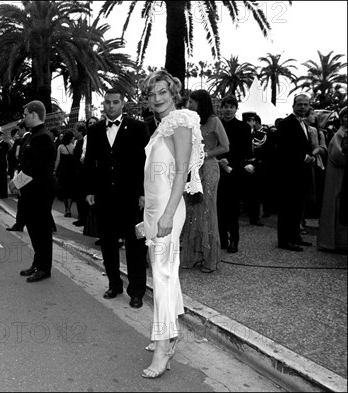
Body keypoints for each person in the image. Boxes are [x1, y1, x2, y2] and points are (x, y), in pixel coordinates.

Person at [139, 70, 204, 378]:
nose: (157, 98)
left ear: (173, 92)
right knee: (165, 272)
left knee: (162, 275)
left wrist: (166, 214)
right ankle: (166, 333)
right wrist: (149, 210)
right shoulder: (162, 125)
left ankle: (165, 348)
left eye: (162, 92)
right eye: (152, 94)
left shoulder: (181, 121)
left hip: (167, 209)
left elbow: (180, 173)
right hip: (154, 209)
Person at [84, 88, 150, 308]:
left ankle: (137, 291)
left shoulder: (139, 128)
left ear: (123, 104)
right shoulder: (93, 131)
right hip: (104, 198)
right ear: (103, 105)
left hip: (131, 198)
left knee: (136, 246)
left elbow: (145, 163)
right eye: (107, 103)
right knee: (108, 245)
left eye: (115, 102)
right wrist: (90, 190)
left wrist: (143, 193)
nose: (110, 106)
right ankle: (114, 284)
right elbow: (89, 163)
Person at [181, 89, 229, 273]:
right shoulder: (190, 121)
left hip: (209, 169)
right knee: (192, 211)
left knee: (207, 210)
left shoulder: (214, 121)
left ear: (200, 103)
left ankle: (210, 258)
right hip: (192, 169)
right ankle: (194, 256)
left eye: (192, 101)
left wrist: (205, 154)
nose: (188, 104)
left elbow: (225, 146)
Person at [16, 100, 56, 283]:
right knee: (33, 230)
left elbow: (36, 168)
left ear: (34, 114)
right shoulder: (32, 136)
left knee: (42, 231)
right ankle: (37, 263)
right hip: (30, 192)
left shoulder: (43, 137)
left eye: (25, 115)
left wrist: (16, 182)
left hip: (40, 192)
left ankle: (44, 268)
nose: (23, 118)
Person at [276, 94, 315, 252]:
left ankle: (295, 236)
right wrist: (304, 157)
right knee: (287, 208)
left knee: (297, 208)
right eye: (300, 104)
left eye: (306, 104)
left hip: (301, 174)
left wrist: (310, 156)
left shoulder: (303, 124)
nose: (303, 107)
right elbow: (284, 149)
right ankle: (284, 240)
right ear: (293, 106)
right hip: (289, 175)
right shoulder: (286, 124)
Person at [217, 95, 253, 253]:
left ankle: (234, 240)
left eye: (231, 107)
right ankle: (222, 238)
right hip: (217, 170)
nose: (228, 110)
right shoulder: (216, 125)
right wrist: (219, 159)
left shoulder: (244, 127)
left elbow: (245, 152)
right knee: (219, 207)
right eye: (225, 106)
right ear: (221, 107)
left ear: (236, 109)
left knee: (233, 208)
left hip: (235, 171)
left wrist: (230, 161)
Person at [317, 106, 347, 253]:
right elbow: (338, 156)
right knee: (337, 206)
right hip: (338, 177)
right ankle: (335, 242)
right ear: (342, 119)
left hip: (342, 175)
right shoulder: (339, 135)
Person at [6, 122, 31, 232]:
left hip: (25, 175)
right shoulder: (26, 139)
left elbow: (22, 158)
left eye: (18, 130)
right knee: (23, 201)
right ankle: (19, 223)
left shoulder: (27, 139)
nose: (17, 133)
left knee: (23, 201)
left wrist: (18, 175)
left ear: (22, 129)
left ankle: (20, 224)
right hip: (23, 173)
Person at [54, 129, 76, 217]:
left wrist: (55, 170)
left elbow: (58, 160)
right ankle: (69, 209)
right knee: (70, 190)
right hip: (71, 171)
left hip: (62, 171)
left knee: (63, 190)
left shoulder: (60, 147)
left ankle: (66, 208)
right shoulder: (73, 147)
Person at [72, 121, 88, 226]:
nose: (74, 133)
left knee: (83, 197)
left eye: (75, 131)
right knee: (78, 197)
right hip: (76, 172)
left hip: (83, 173)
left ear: (80, 132)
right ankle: (80, 217)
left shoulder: (85, 142)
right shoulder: (77, 142)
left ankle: (84, 219)